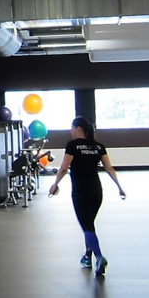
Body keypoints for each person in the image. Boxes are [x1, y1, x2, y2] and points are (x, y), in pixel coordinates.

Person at [47, 117, 126, 276]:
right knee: (89, 224)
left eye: (72, 128)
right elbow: (109, 168)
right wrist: (119, 187)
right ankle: (87, 257)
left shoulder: (72, 146)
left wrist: (55, 184)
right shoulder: (98, 146)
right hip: (97, 192)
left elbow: (63, 168)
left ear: (79, 129)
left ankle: (99, 256)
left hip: (80, 192)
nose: (71, 131)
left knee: (87, 226)